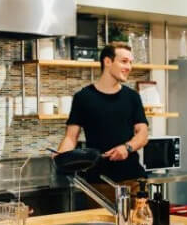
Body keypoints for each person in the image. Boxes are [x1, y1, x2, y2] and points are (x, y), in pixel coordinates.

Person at [58, 42, 149, 188]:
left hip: (132, 180)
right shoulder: (83, 97)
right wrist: (61, 156)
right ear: (107, 61)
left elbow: (143, 134)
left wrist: (127, 148)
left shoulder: (132, 97)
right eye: (124, 61)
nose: (129, 67)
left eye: (130, 63)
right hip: (97, 182)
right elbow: (70, 137)